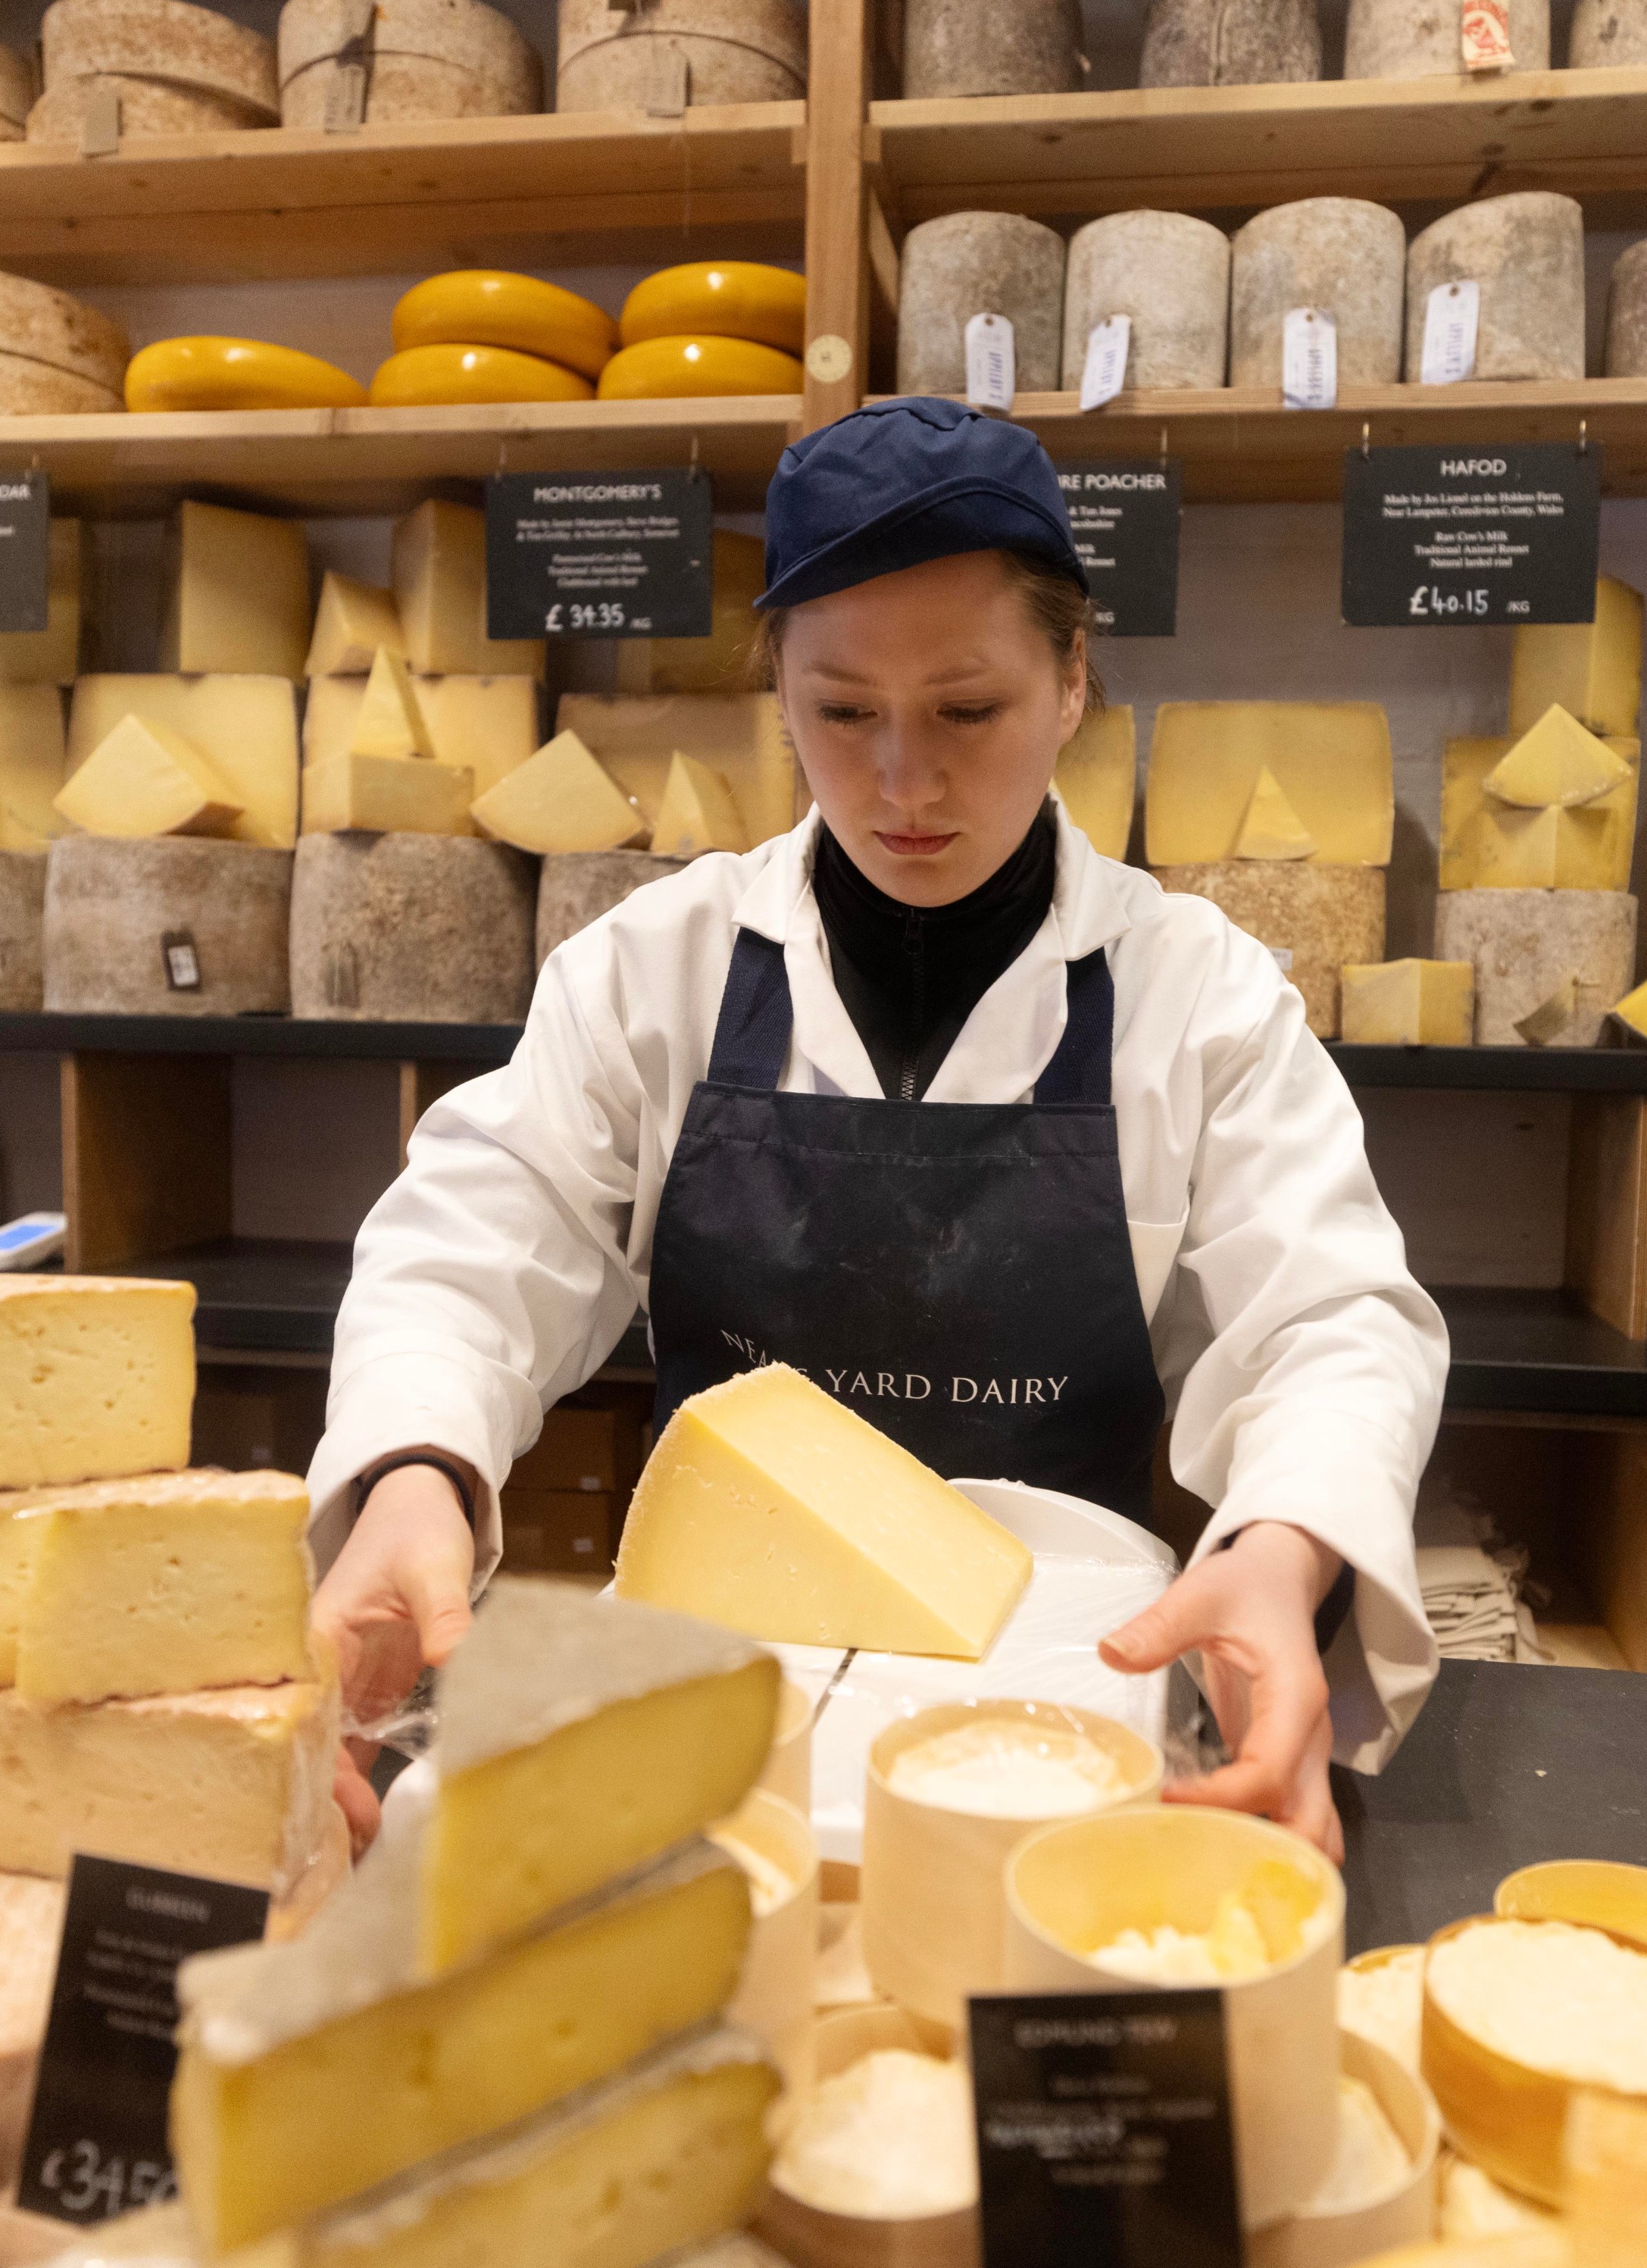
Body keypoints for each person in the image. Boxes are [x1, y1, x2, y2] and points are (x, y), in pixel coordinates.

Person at [307, 398, 1446, 1856]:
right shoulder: (658, 969)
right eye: (842, 714)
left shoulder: (1195, 993)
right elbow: (468, 1247)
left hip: (1063, 1704)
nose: (905, 783)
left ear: (1075, 681)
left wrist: (1283, 1552)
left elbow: (1330, 1318)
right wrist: (415, 1472)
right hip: (712, 1730)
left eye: (969, 710)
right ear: (778, 687)